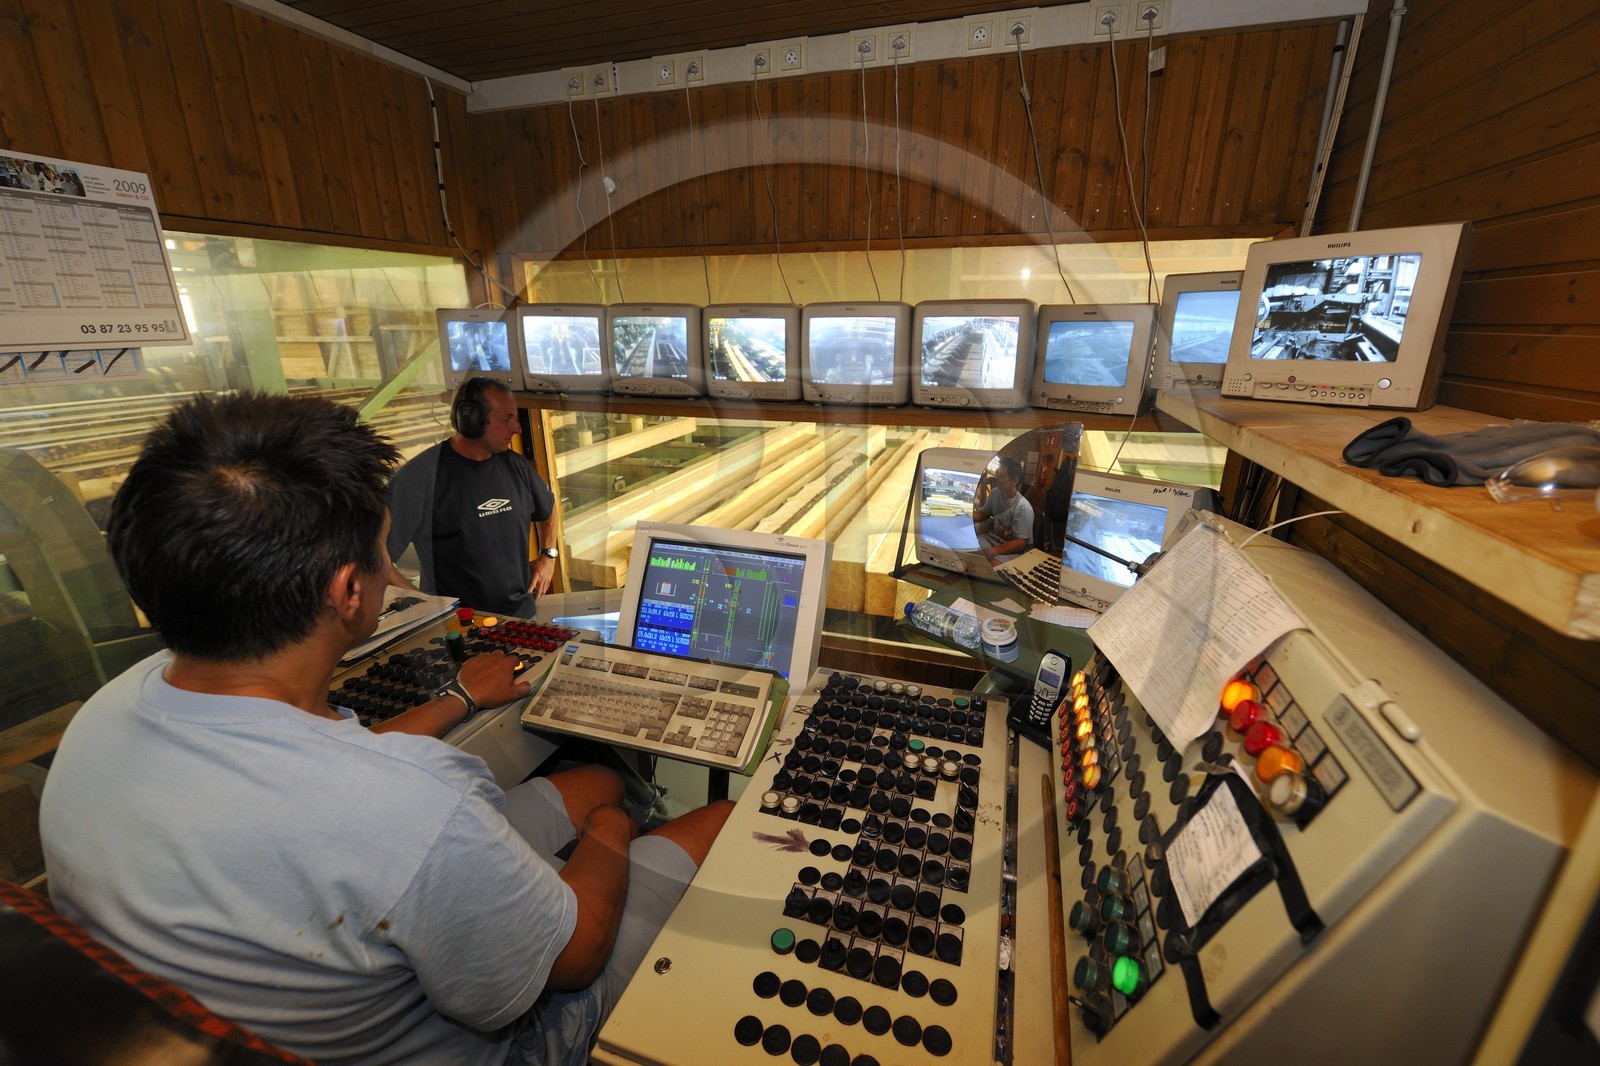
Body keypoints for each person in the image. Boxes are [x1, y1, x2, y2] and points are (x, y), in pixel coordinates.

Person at [38, 392, 733, 1065]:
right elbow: (575, 958)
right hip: (517, 1036)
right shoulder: (414, 802)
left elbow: (319, 782)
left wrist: (459, 697)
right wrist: (612, 834)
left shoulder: (108, 711)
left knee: (594, 777)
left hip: (241, 1012)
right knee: (711, 815)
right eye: (381, 554)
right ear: (349, 591)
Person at [387, 377, 557, 618]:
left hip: (522, 620)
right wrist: (426, 607)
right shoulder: (419, 478)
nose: (517, 428)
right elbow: (375, 559)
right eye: (507, 419)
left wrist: (548, 555)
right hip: (461, 629)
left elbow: (548, 507)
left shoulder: (516, 466)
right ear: (471, 419)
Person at [975, 455, 1035, 564]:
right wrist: (963, 515)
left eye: (1002, 476)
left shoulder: (1023, 507)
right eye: (998, 473)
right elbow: (982, 514)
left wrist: (993, 551)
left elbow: (1021, 543)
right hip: (993, 539)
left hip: (1017, 550)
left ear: (1015, 481)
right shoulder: (995, 493)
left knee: (994, 564)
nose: (997, 477)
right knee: (969, 547)